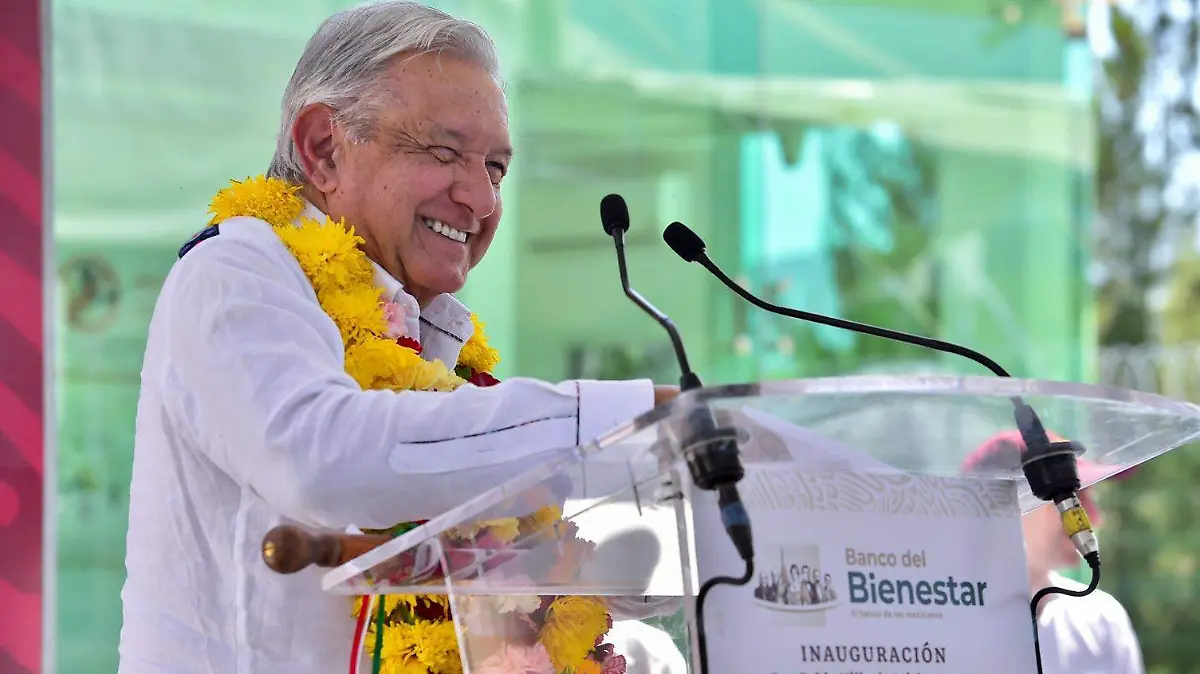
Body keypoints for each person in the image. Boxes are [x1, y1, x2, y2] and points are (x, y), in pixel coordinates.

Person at [117, 3, 678, 672]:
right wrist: (614, 420)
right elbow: (320, 459)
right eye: (446, 153)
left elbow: (606, 573)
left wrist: (713, 492)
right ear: (323, 148)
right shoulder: (235, 271)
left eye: (496, 168)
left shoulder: (441, 360)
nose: (481, 199)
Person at [963, 431, 1144, 674]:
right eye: (1071, 497)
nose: (1092, 517)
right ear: (1002, 505)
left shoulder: (1102, 619)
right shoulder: (943, 624)